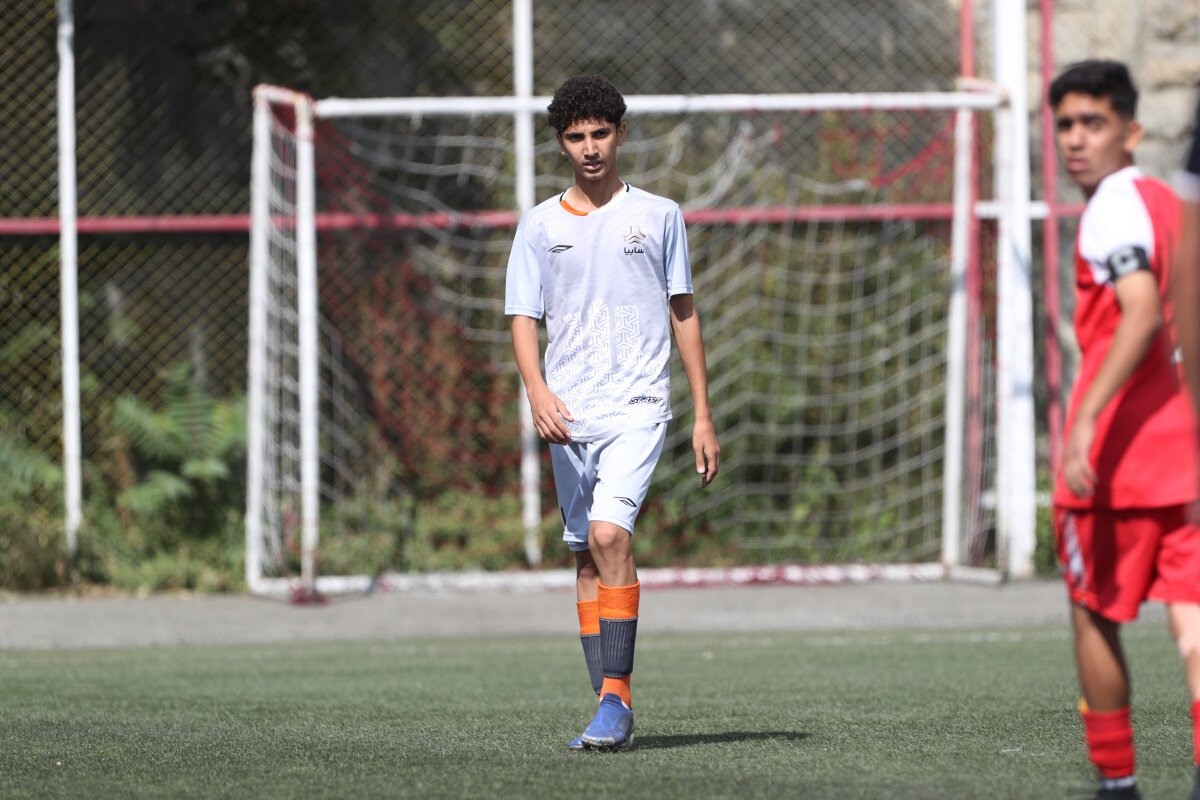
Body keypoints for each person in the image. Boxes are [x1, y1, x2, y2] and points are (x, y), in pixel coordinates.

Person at [504, 74, 720, 751]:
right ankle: (608, 706)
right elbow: (522, 317)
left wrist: (702, 414)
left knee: (608, 535)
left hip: (637, 406)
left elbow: (683, 312)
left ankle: (616, 699)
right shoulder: (539, 225)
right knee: (585, 558)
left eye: (601, 133)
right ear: (561, 143)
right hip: (569, 415)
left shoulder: (658, 215)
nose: (591, 147)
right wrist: (537, 391)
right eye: (577, 136)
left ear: (621, 134)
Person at [1048, 60, 1200, 800]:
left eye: (1093, 123)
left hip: (1117, 463)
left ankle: (1118, 783)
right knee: (1194, 627)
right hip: (1187, 457)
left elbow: (1140, 312)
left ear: (1131, 131)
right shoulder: (1174, 205)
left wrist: (1085, 421)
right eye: (1065, 125)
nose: (1076, 140)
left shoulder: (1111, 206)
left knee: (1093, 617)